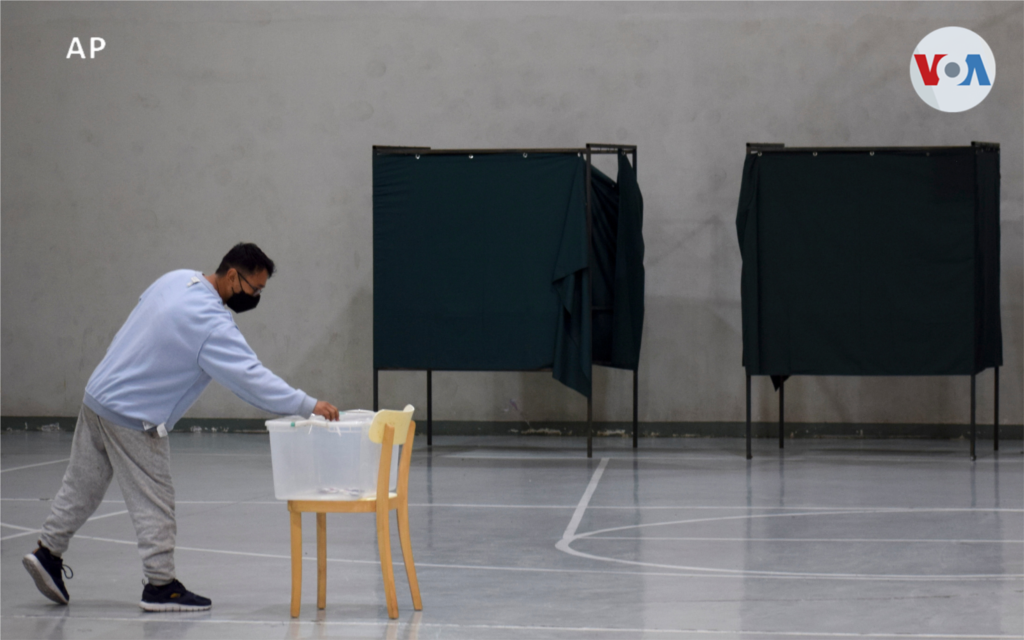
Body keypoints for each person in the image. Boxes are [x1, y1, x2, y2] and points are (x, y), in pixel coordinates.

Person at [22, 243, 339, 612]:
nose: (256, 297)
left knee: (81, 486)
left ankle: (47, 552)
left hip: (98, 395)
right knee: (155, 502)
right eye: (255, 289)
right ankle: (161, 585)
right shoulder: (209, 323)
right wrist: (307, 405)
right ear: (233, 276)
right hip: (133, 415)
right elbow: (252, 380)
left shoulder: (176, 280)